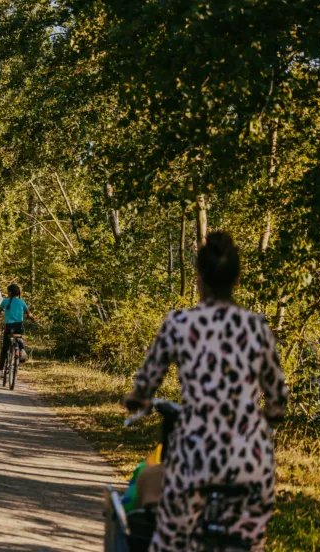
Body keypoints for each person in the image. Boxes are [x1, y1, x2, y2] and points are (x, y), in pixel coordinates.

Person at [123, 232, 289, 552]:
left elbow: (146, 381)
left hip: (195, 455)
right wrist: (272, 414)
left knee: (170, 540)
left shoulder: (180, 323)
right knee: (249, 540)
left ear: (198, 278)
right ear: (236, 279)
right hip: (249, 458)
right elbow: (277, 395)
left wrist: (137, 399)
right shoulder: (257, 327)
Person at [0, 283, 38, 378]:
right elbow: (29, 313)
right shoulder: (22, 302)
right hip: (19, 326)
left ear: (9, 292)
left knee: (5, 348)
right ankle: (22, 350)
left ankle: (1, 370)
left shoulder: (5, 301)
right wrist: (31, 318)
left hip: (8, 327)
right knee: (18, 337)